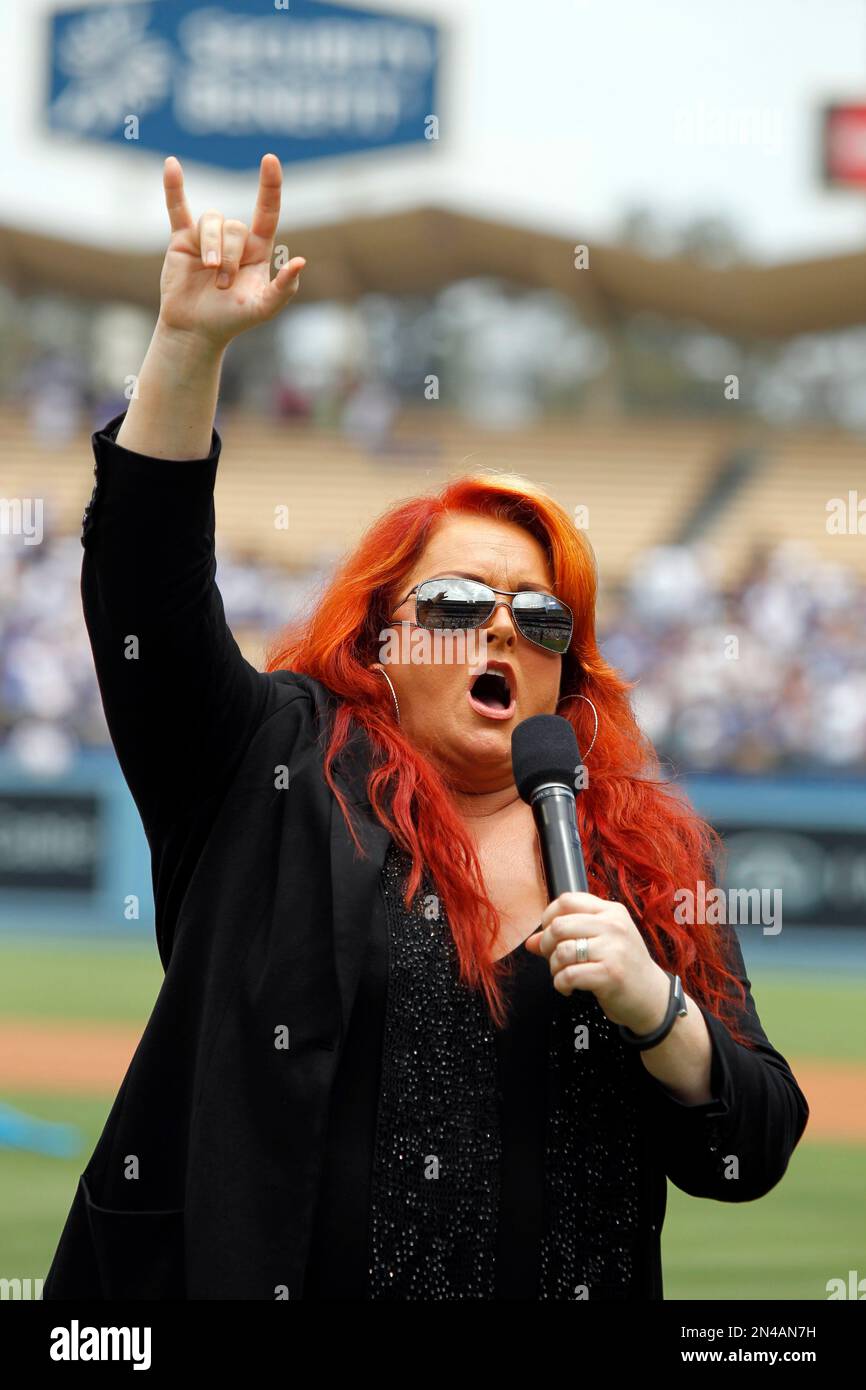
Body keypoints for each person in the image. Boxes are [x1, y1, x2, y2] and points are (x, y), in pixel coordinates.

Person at [43, 154, 808, 1302]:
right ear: (382, 640)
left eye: (539, 616)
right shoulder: (271, 768)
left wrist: (658, 1010)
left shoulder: (642, 850)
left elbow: (746, 1151)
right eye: (455, 602)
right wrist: (189, 347)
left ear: (565, 665)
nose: (501, 628)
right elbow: (143, 594)